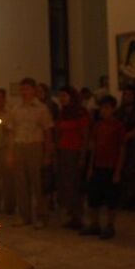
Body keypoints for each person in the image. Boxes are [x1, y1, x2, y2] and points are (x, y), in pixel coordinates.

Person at [7, 78, 54, 229]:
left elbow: (47, 132)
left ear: (34, 90)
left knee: (37, 183)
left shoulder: (41, 109)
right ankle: (24, 215)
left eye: (27, 89)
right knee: (21, 184)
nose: (24, 92)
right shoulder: (15, 108)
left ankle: (41, 216)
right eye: (22, 89)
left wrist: (47, 153)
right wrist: (10, 152)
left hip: (35, 146)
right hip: (20, 146)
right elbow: (11, 132)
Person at [80, 96, 125, 239]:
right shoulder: (98, 126)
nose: (103, 111)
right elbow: (93, 147)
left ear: (113, 109)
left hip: (111, 167)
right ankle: (95, 224)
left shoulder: (118, 126)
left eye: (107, 108)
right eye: (102, 108)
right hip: (97, 166)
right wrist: (90, 167)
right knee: (94, 197)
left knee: (111, 199)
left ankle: (110, 225)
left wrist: (118, 170)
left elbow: (122, 149)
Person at [55, 86, 90, 229]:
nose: (62, 99)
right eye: (60, 96)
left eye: (64, 96)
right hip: (63, 151)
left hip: (75, 152)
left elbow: (86, 135)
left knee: (76, 184)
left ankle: (78, 215)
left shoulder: (81, 112)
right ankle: (71, 215)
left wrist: (82, 156)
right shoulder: (63, 112)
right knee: (67, 184)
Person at [36, 83, 59, 209]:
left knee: (50, 172)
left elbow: (52, 126)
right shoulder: (35, 107)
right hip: (38, 142)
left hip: (49, 141)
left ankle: (52, 198)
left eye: (41, 91)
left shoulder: (51, 106)